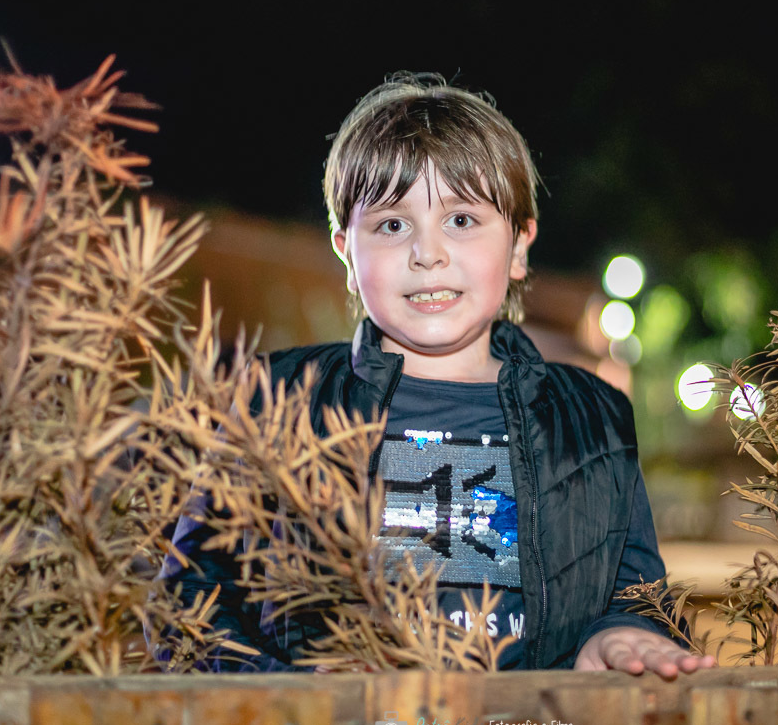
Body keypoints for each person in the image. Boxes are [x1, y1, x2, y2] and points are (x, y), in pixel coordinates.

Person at [163, 73, 713, 677]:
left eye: (462, 220)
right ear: (346, 251)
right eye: (392, 225)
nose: (428, 253)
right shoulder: (276, 398)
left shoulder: (591, 415)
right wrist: (301, 701)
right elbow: (187, 608)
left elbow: (639, 596)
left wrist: (623, 634)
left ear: (520, 245)